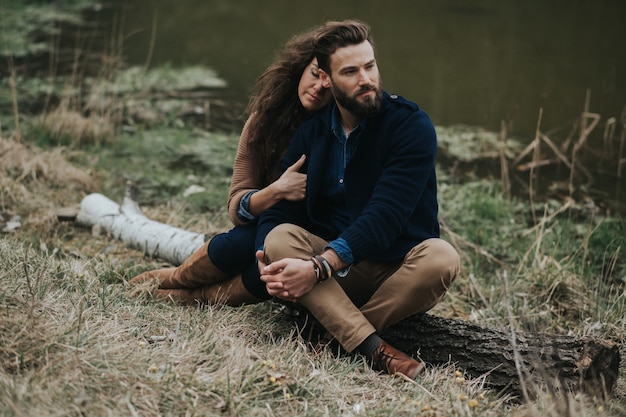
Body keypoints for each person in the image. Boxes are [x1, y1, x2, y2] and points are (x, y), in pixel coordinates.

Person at [254, 20, 460, 380]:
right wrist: (266, 262)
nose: (366, 78)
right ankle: (373, 349)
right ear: (326, 78)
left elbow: (385, 217)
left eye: (370, 65)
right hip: (339, 272)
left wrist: (318, 268)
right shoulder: (311, 135)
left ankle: (337, 338)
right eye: (350, 71)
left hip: (398, 269)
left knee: (442, 258)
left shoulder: (410, 125)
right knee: (279, 237)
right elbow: (281, 214)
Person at [129, 25, 332, 305]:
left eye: (329, 84)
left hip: (303, 241)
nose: (319, 87)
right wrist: (277, 190)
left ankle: (198, 298)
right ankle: (174, 279)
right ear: (300, 67)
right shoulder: (265, 121)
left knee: (260, 267)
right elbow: (237, 207)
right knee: (238, 243)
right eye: (314, 74)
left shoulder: (338, 133)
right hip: (258, 228)